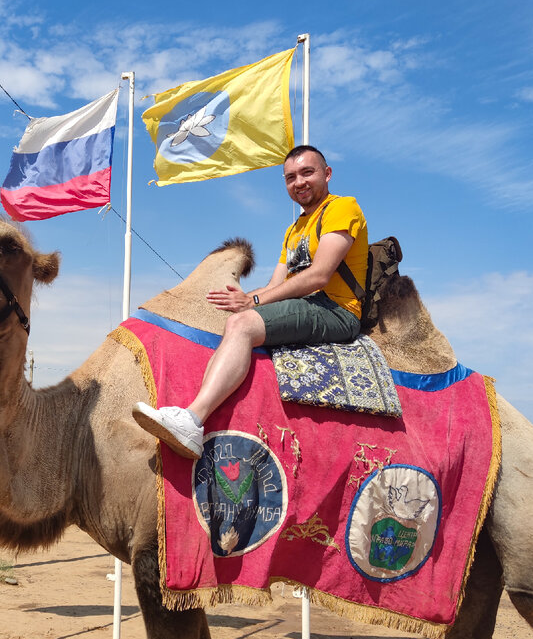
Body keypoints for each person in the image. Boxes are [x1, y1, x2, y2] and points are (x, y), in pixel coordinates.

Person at [133, 144, 368, 459]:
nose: (299, 182)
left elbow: (318, 276)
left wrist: (251, 302)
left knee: (243, 324)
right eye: (290, 177)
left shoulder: (341, 208)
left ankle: (193, 419)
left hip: (336, 310)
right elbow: (276, 285)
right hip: (307, 306)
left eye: (307, 172)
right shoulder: (294, 230)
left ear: (326, 174)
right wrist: (242, 299)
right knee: (232, 318)